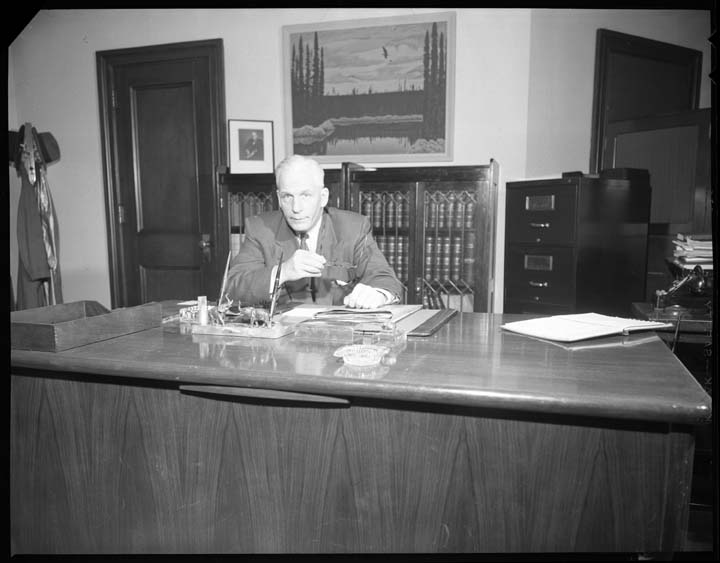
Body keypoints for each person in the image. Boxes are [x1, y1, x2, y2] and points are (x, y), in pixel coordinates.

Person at [226, 154, 403, 309]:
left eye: (305, 195)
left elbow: (385, 278)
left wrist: (378, 294)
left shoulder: (354, 228)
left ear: (323, 197)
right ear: (279, 199)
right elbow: (232, 288)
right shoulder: (259, 229)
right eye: (288, 197)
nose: (296, 208)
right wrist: (283, 271)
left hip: (338, 332)